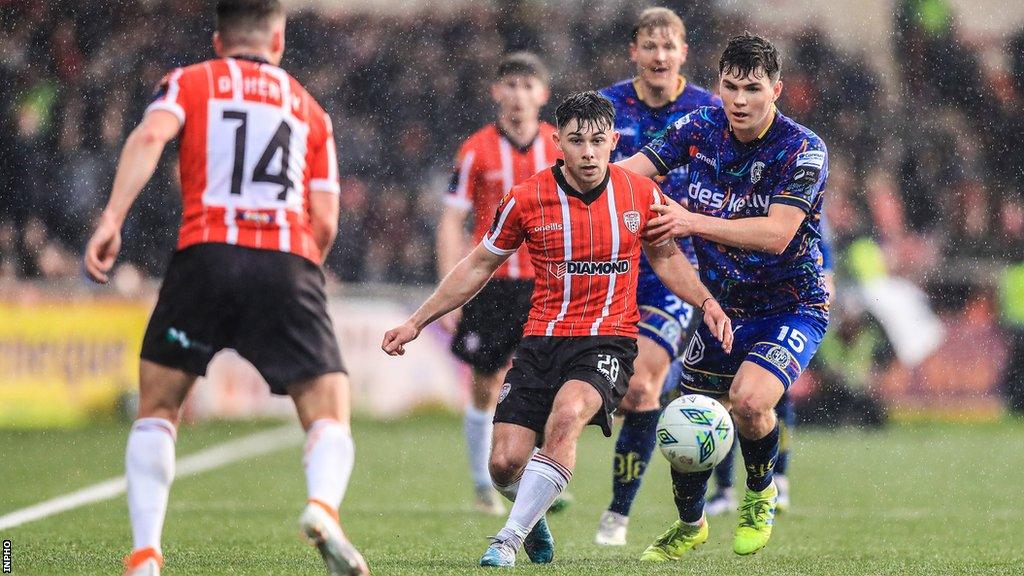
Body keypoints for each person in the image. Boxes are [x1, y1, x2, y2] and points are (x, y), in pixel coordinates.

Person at [382, 92, 732, 568]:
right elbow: (479, 264)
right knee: (504, 464)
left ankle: (507, 538)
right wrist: (416, 321)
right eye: (576, 141)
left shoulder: (641, 194)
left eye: (597, 141)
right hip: (541, 342)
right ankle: (532, 517)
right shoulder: (526, 199)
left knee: (567, 418)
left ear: (613, 141)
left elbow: (668, 259)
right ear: (557, 144)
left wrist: (707, 302)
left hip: (608, 340)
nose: (588, 152)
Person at [83, 2, 368, 575]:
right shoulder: (310, 109)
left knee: (159, 406)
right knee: (328, 410)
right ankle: (321, 507)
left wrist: (112, 217)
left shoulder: (190, 81)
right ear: (279, 39)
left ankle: (144, 554)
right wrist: (300, 272)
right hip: (286, 259)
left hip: (206, 253)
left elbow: (149, 137)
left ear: (219, 40)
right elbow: (327, 219)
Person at [618, 32, 830, 560]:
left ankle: (759, 494)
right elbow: (629, 173)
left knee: (751, 403)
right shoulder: (698, 127)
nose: (739, 100)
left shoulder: (803, 149)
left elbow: (778, 233)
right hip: (721, 309)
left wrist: (692, 221)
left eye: (752, 89)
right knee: (686, 417)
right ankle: (690, 525)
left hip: (791, 306)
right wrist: (569, 183)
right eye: (730, 86)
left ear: (777, 90)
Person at [594, 6, 722, 546]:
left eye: (668, 46)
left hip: (678, 264)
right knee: (593, 394)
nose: (659, 56)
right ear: (634, 52)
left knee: (641, 386)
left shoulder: (710, 111)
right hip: (612, 264)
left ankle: (617, 515)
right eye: (649, 46)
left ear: (684, 53)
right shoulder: (605, 107)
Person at [437, 52, 560, 515]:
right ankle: (482, 484)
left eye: (528, 86)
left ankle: (545, 480)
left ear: (542, 94)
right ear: (496, 92)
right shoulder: (475, 150)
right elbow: (451, 220)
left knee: (548, 380)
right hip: (492, 284)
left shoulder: (559, 144)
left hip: (548, 283)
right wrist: (451, 290)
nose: (518, 95)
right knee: (485, 384)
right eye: (510, 85)